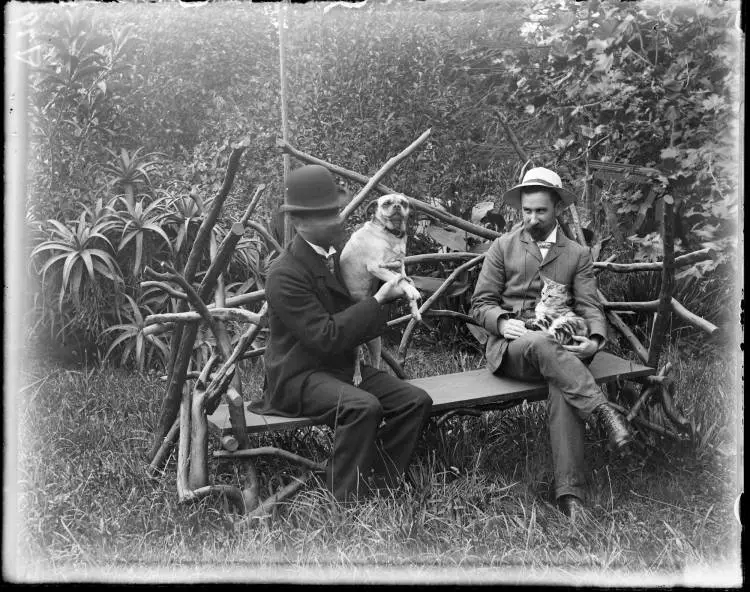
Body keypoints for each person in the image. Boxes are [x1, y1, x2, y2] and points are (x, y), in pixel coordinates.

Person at [251, 165, 433, 502]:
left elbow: (355, 315)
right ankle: (342, 501)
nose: (340, 220)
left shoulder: (333, 257)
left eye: (337, 210)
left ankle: (380, 485)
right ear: (302, 222)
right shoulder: (284, 273)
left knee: (415, 401)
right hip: (298, 377)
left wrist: (383, 294)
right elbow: (325, 336)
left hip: (339, 369)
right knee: (362, 407)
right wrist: (379, 299)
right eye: (329, 215)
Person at [469, 167, 633, 520]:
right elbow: (480, 303)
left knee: (563, 386)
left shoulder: (576, 254)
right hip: (514, 351)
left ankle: (570, 497)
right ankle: (603, 411)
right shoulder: (503, 247)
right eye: (526, 211)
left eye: (540, 211)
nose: (532, 218)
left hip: (563, 347)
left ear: (556, 207)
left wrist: (593, 341)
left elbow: (590, 307)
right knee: (543, 346)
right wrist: (501, 321)